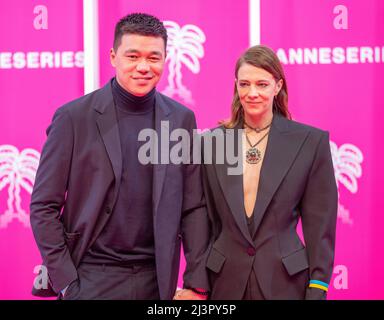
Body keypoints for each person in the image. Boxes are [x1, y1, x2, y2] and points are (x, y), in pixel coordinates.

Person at [30, 13, 210, 300]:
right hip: (90, 277)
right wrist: (67, 282)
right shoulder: (74, 118)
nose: (143, 67)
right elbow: (43, 205)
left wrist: (197, 283)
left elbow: (193, 207)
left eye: (154, 57)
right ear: (113, 56)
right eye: (133, 56)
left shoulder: (180, 119)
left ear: (165, 59)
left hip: (157, 279)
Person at [201, 45, 338, 300]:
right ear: (236, 86)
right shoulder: (211, 143)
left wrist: (318, 288)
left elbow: (320, 226)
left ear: (277, 87)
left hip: (286, 282)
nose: (252, 93)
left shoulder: (310, 142)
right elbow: (204, 220)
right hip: (224, 282)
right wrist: (197, 284)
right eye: (245, 84)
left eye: (262, 84)